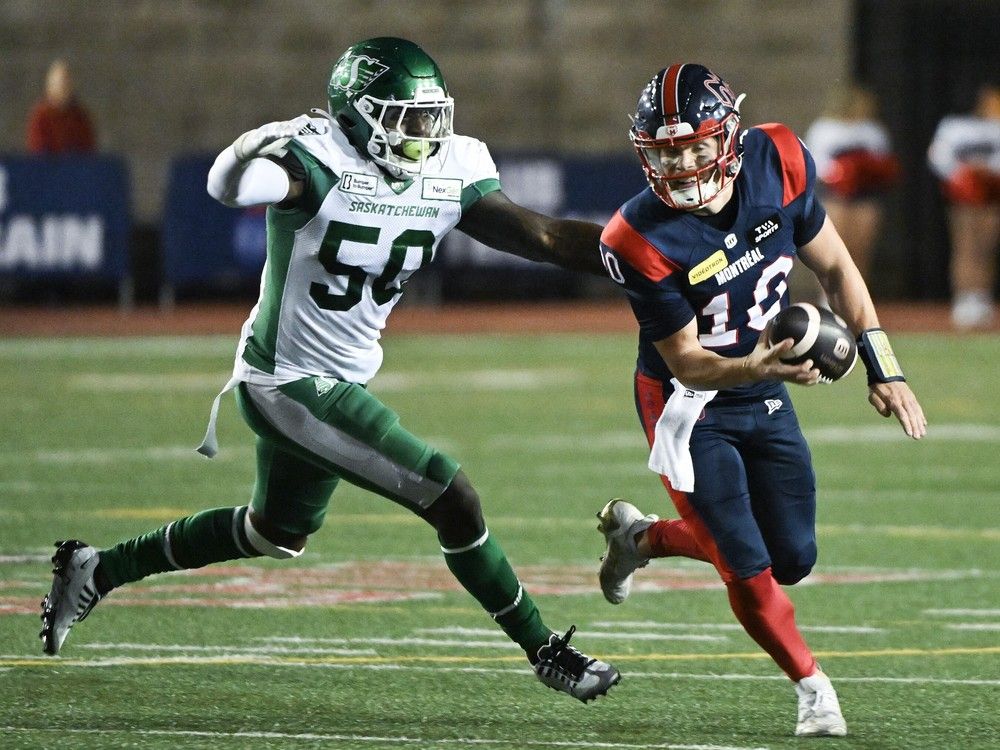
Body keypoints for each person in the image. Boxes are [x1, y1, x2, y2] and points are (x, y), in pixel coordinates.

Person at [39, 37, 620, 704]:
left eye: (430, 116)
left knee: (274, 533)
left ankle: (98, 569)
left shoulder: (452, 167)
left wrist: (638, 260)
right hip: (286, 383)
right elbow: (223, 187)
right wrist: (253, 144)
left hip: (338, 383)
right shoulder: (316, 160)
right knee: (451, 497)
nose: (423, 133)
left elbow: (542, 237)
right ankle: (545, 649)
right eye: (404, 116)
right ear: (355, 114)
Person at [594, 63, 927, 737]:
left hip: (761, 386)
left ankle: (643, 537)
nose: (684, 164)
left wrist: (881, 365)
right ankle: (812, 687)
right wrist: (757, 364)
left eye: (695, 146)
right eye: (667, 152)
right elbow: (686, 357)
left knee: (793, 556)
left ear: (730, 136)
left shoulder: (780, 159)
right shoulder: (636, 237)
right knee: (745, 563)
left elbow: (834, 266)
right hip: (686, 403)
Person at [804, 84, 899, 286]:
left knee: (860, 250)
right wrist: (840, 172)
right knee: (833, 250)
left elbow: (883, 164)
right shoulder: (824, 128)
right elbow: (813, 161)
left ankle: (857, 294)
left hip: (865, 196)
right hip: (834, 195)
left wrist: (864, 172)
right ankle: (827, 296)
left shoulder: (873, 130)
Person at [927, 83, 1000, 329]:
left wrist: (988, 171)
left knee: (986, 248)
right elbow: (938, 156)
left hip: (991, 197)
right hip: (965, 197)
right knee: (965, 246)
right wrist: (963, 176)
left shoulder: (996, 127)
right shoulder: (955, 125)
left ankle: (982, 297)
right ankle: (964, 298)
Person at [25, 59, 97, 154]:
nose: (63, 88)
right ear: (50, 86)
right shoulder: (41, 116)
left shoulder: (80, 117)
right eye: (60, 84)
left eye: (67, 83)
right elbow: (37, 151)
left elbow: (89, 149)